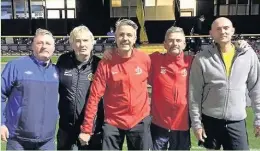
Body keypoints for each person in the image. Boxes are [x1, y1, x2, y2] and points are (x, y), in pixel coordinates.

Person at [102, 26, 193, 150]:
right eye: (171, 40)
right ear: (165, 44)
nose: (174, 44)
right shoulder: (154, 60)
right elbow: (131, 58)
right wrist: (113, 51)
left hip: (182, 125)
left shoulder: (192, 63)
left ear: (184, 43)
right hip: (158, 125)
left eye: (178, 41)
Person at [78, 19, 152, 150]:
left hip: (139, 120)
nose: (125, 38)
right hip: (113, 122)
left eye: (129, 35)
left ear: (135, 38)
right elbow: (94, 96)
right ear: (115, 37)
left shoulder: (144, 59)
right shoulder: (106, 63)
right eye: (121, 35)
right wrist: (86, 129)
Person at [189, 17, 260, 150]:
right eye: (218, 29)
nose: (223, 32)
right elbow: (195, 94)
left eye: (226, 28)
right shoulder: (201, 58)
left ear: (233, 30)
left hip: (237, 121)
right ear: (211, 33)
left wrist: (259, 118)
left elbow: (256, 88)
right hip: (210, 120)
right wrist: (197, 124)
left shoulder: (248, 55)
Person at [1, 28, 59, 150]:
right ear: (32, 46)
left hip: (47, 141)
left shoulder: (57, 71)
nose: (44, 47)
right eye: (39, 43)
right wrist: (1, 123)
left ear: (53, 48)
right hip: (18, 140)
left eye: (48, 43)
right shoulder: (16, 66)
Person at [56, 25, 104, 150]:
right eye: (77, 41)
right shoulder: (63, 61)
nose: (82, 44)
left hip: (92, 130)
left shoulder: (100, 64)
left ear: (92, 43)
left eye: (85, 40)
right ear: (72, 44)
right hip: (66, 128)